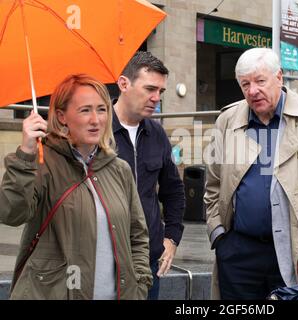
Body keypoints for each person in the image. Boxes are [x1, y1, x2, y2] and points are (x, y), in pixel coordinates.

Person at [0, 74, 151, 300]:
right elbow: (12, 213)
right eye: (85, 110)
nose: (96, 120)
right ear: (62, 116)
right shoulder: (42, 163)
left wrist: (139, 284)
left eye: (102, 109)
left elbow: (137, 235)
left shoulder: (119, 169)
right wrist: (26, 155)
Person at [204, 48, 298, 300]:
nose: (252, 91)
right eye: (245, 84)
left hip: (294, 250)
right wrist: (219, 237)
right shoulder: (227, 120)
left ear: (279, 77)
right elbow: (212, 185)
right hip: (238, 253)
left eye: (260, 81)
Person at [113, 52, 185, 300]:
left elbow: (174, 190)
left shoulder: (157, 133)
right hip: (103, 260)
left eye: (161, 92)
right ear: (124, 84)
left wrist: (172, 237)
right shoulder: (95, 131)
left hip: (147, 262)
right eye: (150, 89)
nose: (156, 98)